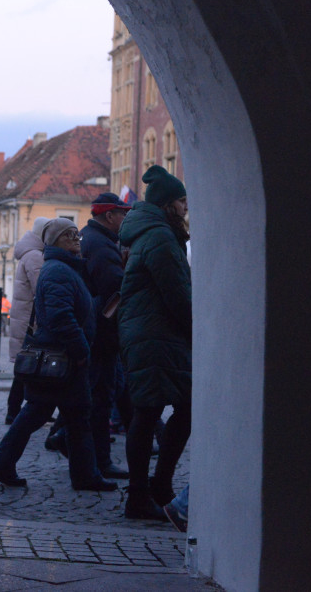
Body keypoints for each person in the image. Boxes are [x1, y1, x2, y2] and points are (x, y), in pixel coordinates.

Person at [0, 218, 117, 492]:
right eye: (69, 236)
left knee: (72, 417)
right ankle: (4, 463)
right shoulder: (57, 270)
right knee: (45, 415)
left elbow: (71, 306)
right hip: (62, 358)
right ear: (54, 241)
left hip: (63, 358)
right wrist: (81, 350)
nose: (76, 239)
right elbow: (60, 317)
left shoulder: (65, 268)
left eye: (75, 234)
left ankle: (83, 475)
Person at [118, 165, 192, 521]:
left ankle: (151, 488)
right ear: (166, 205)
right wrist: (199, 331)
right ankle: (145, 492)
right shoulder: (160, 237)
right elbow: (177, 294)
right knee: (152, 413)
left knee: (153, 412)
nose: (185, 207)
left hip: (151, 334)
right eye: (180, 200)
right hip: (155, 335)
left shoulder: (152, 233)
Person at [79, 193, 131, 480]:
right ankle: (100, 461)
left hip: (94, 332)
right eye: (122, 214)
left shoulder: (91, 238)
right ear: (109, 216)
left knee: (98, 395)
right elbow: (115, 288)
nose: (124, 220)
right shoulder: (101, 244)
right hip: (103, 334)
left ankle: (82, 449)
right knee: (101, 397)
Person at [5, 216, 49, 425]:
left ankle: (17, 411)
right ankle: (14, 412)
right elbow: (42, 287)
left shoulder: (31, 253)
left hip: (26, 319)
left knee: (26, 369)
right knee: (26, 369)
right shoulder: (35, 256)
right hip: (30, 322)